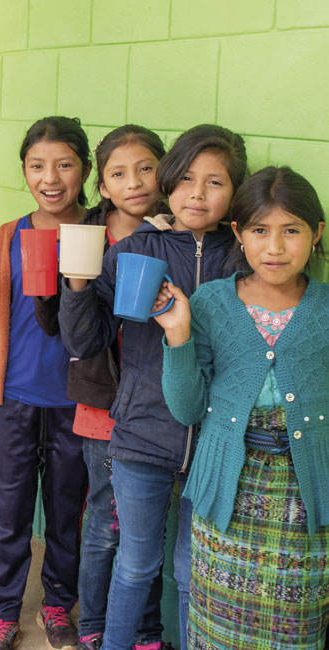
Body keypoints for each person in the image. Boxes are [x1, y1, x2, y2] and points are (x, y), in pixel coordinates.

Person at [59, 124, 248, 650]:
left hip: (216, 443)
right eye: (186, 179)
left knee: (193, 573)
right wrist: (76, 284)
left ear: (235, 192)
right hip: (142, 432)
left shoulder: (243, 256)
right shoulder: (136, 248)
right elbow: (86, 340)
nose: (197, 193)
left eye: (215, 182)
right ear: (170, 182)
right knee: (136, 564)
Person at [157, 166, 329, 649]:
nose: (274, 247)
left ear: (316, 234)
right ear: (238, 233)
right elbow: (187, 408)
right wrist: (178, 334)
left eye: (291, 230)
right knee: (219, 627)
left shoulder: (326, 310)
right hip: (227, 493)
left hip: (306, 498)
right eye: (259, 230)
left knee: (296, 627)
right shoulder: (211, 302)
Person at [0, 116, 90, 650]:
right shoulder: (8, 235)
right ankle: (2, 613)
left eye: (64, 164)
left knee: (66, 509)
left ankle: (58, 606)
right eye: (37, 165)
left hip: (77, 400)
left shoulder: (98, 230)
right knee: (5, 512)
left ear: (85, 170)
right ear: (24, 172)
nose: (50, 177)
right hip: (11, 396)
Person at [34, 125, 170, 650]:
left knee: (148, 525)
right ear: (103, 185)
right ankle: (92, 624)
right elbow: (63, 329)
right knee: (107, 519)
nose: (134, 182)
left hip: (158, 405)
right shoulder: (84, 231)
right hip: (102, 401)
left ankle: (144, 631)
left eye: (145, 168)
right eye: (119, 173)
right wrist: (72, 278)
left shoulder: (179, 233)